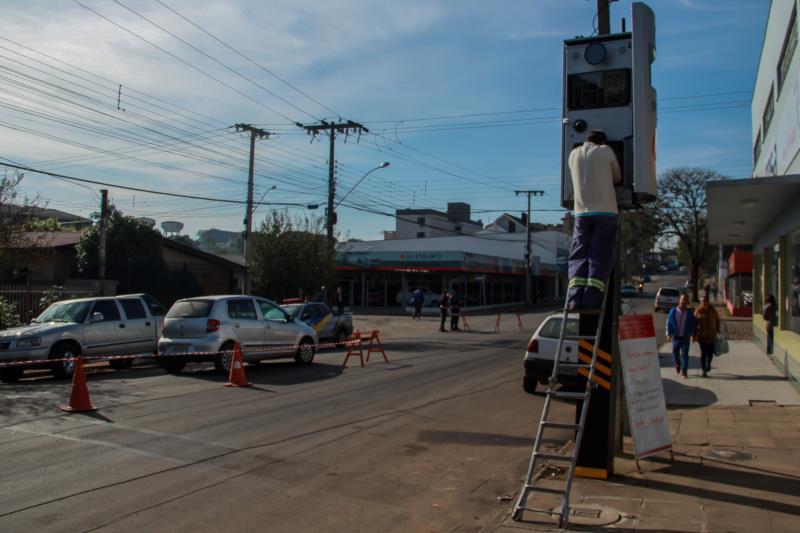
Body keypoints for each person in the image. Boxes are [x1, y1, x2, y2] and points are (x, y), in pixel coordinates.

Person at [566, 129, 622, 311]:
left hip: (581, 214)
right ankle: (591, 298)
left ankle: (574, 298)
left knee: (579, 255)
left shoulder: (573, 154)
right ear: (602, 141)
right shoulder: (605, 151)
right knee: (598, 256)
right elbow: (617, 177)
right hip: (605, 212)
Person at [667, 293, 696, 378]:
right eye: (682, 299)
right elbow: (669, 323)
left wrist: (692, 335)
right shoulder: (673, 311)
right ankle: (677, 363)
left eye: (685, 299)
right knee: (675, 352)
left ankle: (684, 371)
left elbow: (692, 325)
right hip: (676, 336)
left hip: (685, 337)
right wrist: (668, 334)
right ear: (679, 300)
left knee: (685, 354)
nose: (683, 301)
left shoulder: (690, 313)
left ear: (687, 302)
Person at [694, 295, 720, 377]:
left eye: (705, 301)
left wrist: (718, 331)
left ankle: (708, 364)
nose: (703, 302)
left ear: (708, 302)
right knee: (703, 353)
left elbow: (717, 321)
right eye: (702, 301)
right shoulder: (698, 312)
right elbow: (694, 324)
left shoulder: (713, 311)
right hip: (701, 336)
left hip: (711, 336)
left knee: (710, 354)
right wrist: (693, 335)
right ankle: (703, 370)